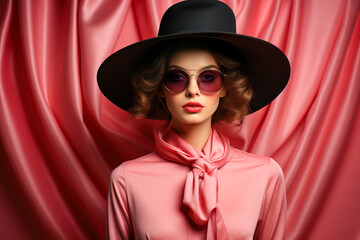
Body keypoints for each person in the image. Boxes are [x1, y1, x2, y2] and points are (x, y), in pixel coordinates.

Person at [97, 0, 290, 239]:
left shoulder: (265, 175)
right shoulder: (126, 180)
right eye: (177, 77)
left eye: (208, 77)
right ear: (159, 87)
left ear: (225, 87)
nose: (192, 90)